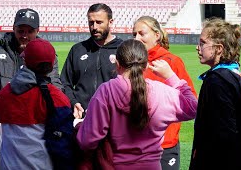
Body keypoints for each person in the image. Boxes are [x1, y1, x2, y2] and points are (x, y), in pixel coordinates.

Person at [76, 39, 197, 170]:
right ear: (145, 66)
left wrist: (79, 125)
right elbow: (193, 107)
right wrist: (171, 76)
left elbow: (88, 141)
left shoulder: (106, 91)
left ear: (117, 64)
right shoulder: (161, 91)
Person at [0, 8, 63, 169]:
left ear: (37, 31)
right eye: (20, 30)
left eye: (30, 31)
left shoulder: (46, 54)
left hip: (35, 129)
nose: (24, 35)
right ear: (13, 28)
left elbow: (55, 83)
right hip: (0, 127)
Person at [0, 39, 72, 170]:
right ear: (52, 65)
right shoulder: (57, 98)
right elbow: (63, 144)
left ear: (24, 60)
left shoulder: (4, 94)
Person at [133, 16, 197, 170]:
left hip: (165, 145)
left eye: (142, 33)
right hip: (136, 144)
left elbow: (191, 100)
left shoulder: (172, 62)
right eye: (134, 34)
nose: (136, 38)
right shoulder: (133, 64)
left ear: (157, 35)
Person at [189, 18, 241, 170]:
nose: (198, 48)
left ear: (219, 48)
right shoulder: (234, 75)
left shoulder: (216, 81)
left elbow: (222, 135)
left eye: (203, 43)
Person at [60, 3, 123, 118]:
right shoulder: (77, 49)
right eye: (91, 22)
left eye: (99, 22)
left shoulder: (123, 49)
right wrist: (73, 102)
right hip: (81, 118)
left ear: (110, 22)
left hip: (113, 118)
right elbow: (65, 83)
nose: (94, 27)